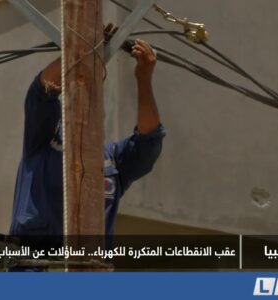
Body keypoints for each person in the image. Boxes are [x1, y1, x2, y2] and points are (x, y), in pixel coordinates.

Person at [9, 25, 165, 239]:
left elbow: (149, 141)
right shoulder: (44, 139)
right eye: (78, 95)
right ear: (64, 110)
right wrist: (80, 50)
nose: (86, 107)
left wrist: (143, 77)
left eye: (94, 102)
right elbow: (43, 88)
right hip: (34, 268)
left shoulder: (112, 161)